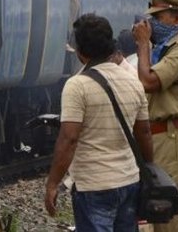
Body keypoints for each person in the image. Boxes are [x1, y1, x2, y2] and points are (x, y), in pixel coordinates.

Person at [44, 14, 152, 231]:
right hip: (129, 181)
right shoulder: (133, 82)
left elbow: (69, 139)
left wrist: (53, 183)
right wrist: (148, 171)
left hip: (94, 185)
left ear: (80, 52)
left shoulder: (77, 86)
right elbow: (144, 133)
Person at [132, 0, 178, 232]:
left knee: (172, 218)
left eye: (158, 18)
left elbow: (149, 81)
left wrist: (142, 45)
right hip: (168, 137)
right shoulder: (171, 45)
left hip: (174, 138)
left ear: (177, 19)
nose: (150, 24)